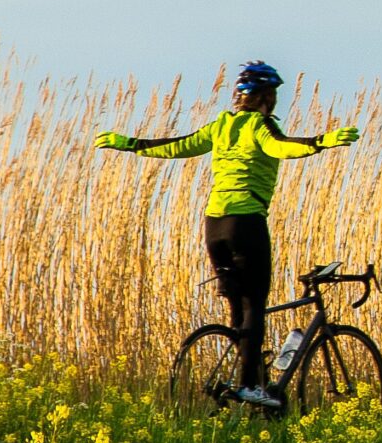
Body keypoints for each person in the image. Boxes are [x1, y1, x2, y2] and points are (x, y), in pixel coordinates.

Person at [95, 60, 359, 409]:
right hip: (245, 222)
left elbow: (178, 145)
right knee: (255, 306)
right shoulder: (260, 126)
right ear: (267, 98)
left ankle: (252, 386)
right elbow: (282, 147)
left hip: (214, 226)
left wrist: (130, 143)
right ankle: (250, 385)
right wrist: (321, 142)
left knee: (239, 309)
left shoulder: (220, 125)